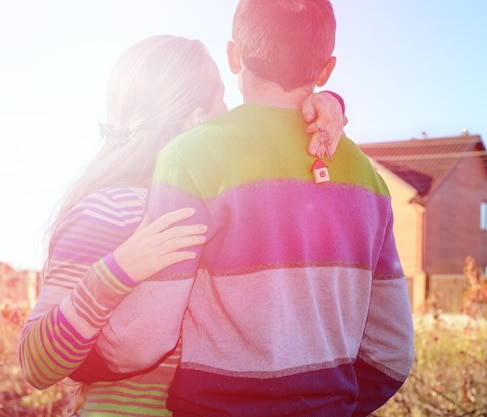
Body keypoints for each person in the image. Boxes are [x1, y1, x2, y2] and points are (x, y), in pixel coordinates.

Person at [89, 1, 415, 415]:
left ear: (233, 55)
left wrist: (82, 362)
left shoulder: (190, 156)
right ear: (326, 69)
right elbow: (393, 353)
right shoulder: (370, 181)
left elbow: (144, 336)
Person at [17, 34, 347, 416]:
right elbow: (35, 363)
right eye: (221, 97)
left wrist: (324, 105)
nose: (233, 111)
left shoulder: (219, 207)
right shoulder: (110, 210)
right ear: (197, 120)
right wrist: (118, 270)